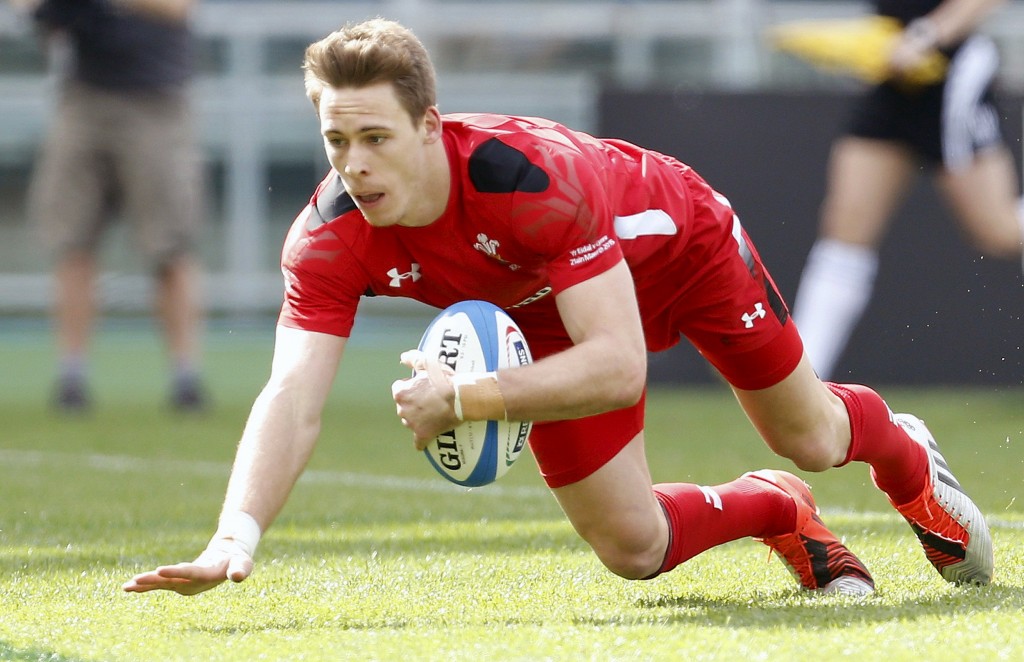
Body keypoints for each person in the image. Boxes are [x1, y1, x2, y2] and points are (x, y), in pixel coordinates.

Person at [123, 18, 993, 598]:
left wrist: (466, 398)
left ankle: (903, 456)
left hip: (679, 246)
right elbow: (291, 396)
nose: (354, 163)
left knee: (811, 435)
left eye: (376, 137)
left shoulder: (524, 178)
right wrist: (235, 536)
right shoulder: (327, 235)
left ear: (432, 126)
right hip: (549, 309)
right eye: (336, 140)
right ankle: (776, 509)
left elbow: (617, 364)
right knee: (632, 550)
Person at [791, 0, 1023, 381]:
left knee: (997, 230)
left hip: (950, 72)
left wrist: (926, 35)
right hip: (893, 74)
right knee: (846, 229)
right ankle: (801, 380)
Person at [24, 0, 208, 411]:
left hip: (156, 103)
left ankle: (186, 378)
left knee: (170, 247)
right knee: (72, 242)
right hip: (83, 99)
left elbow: (178, 9)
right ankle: (71, 376)